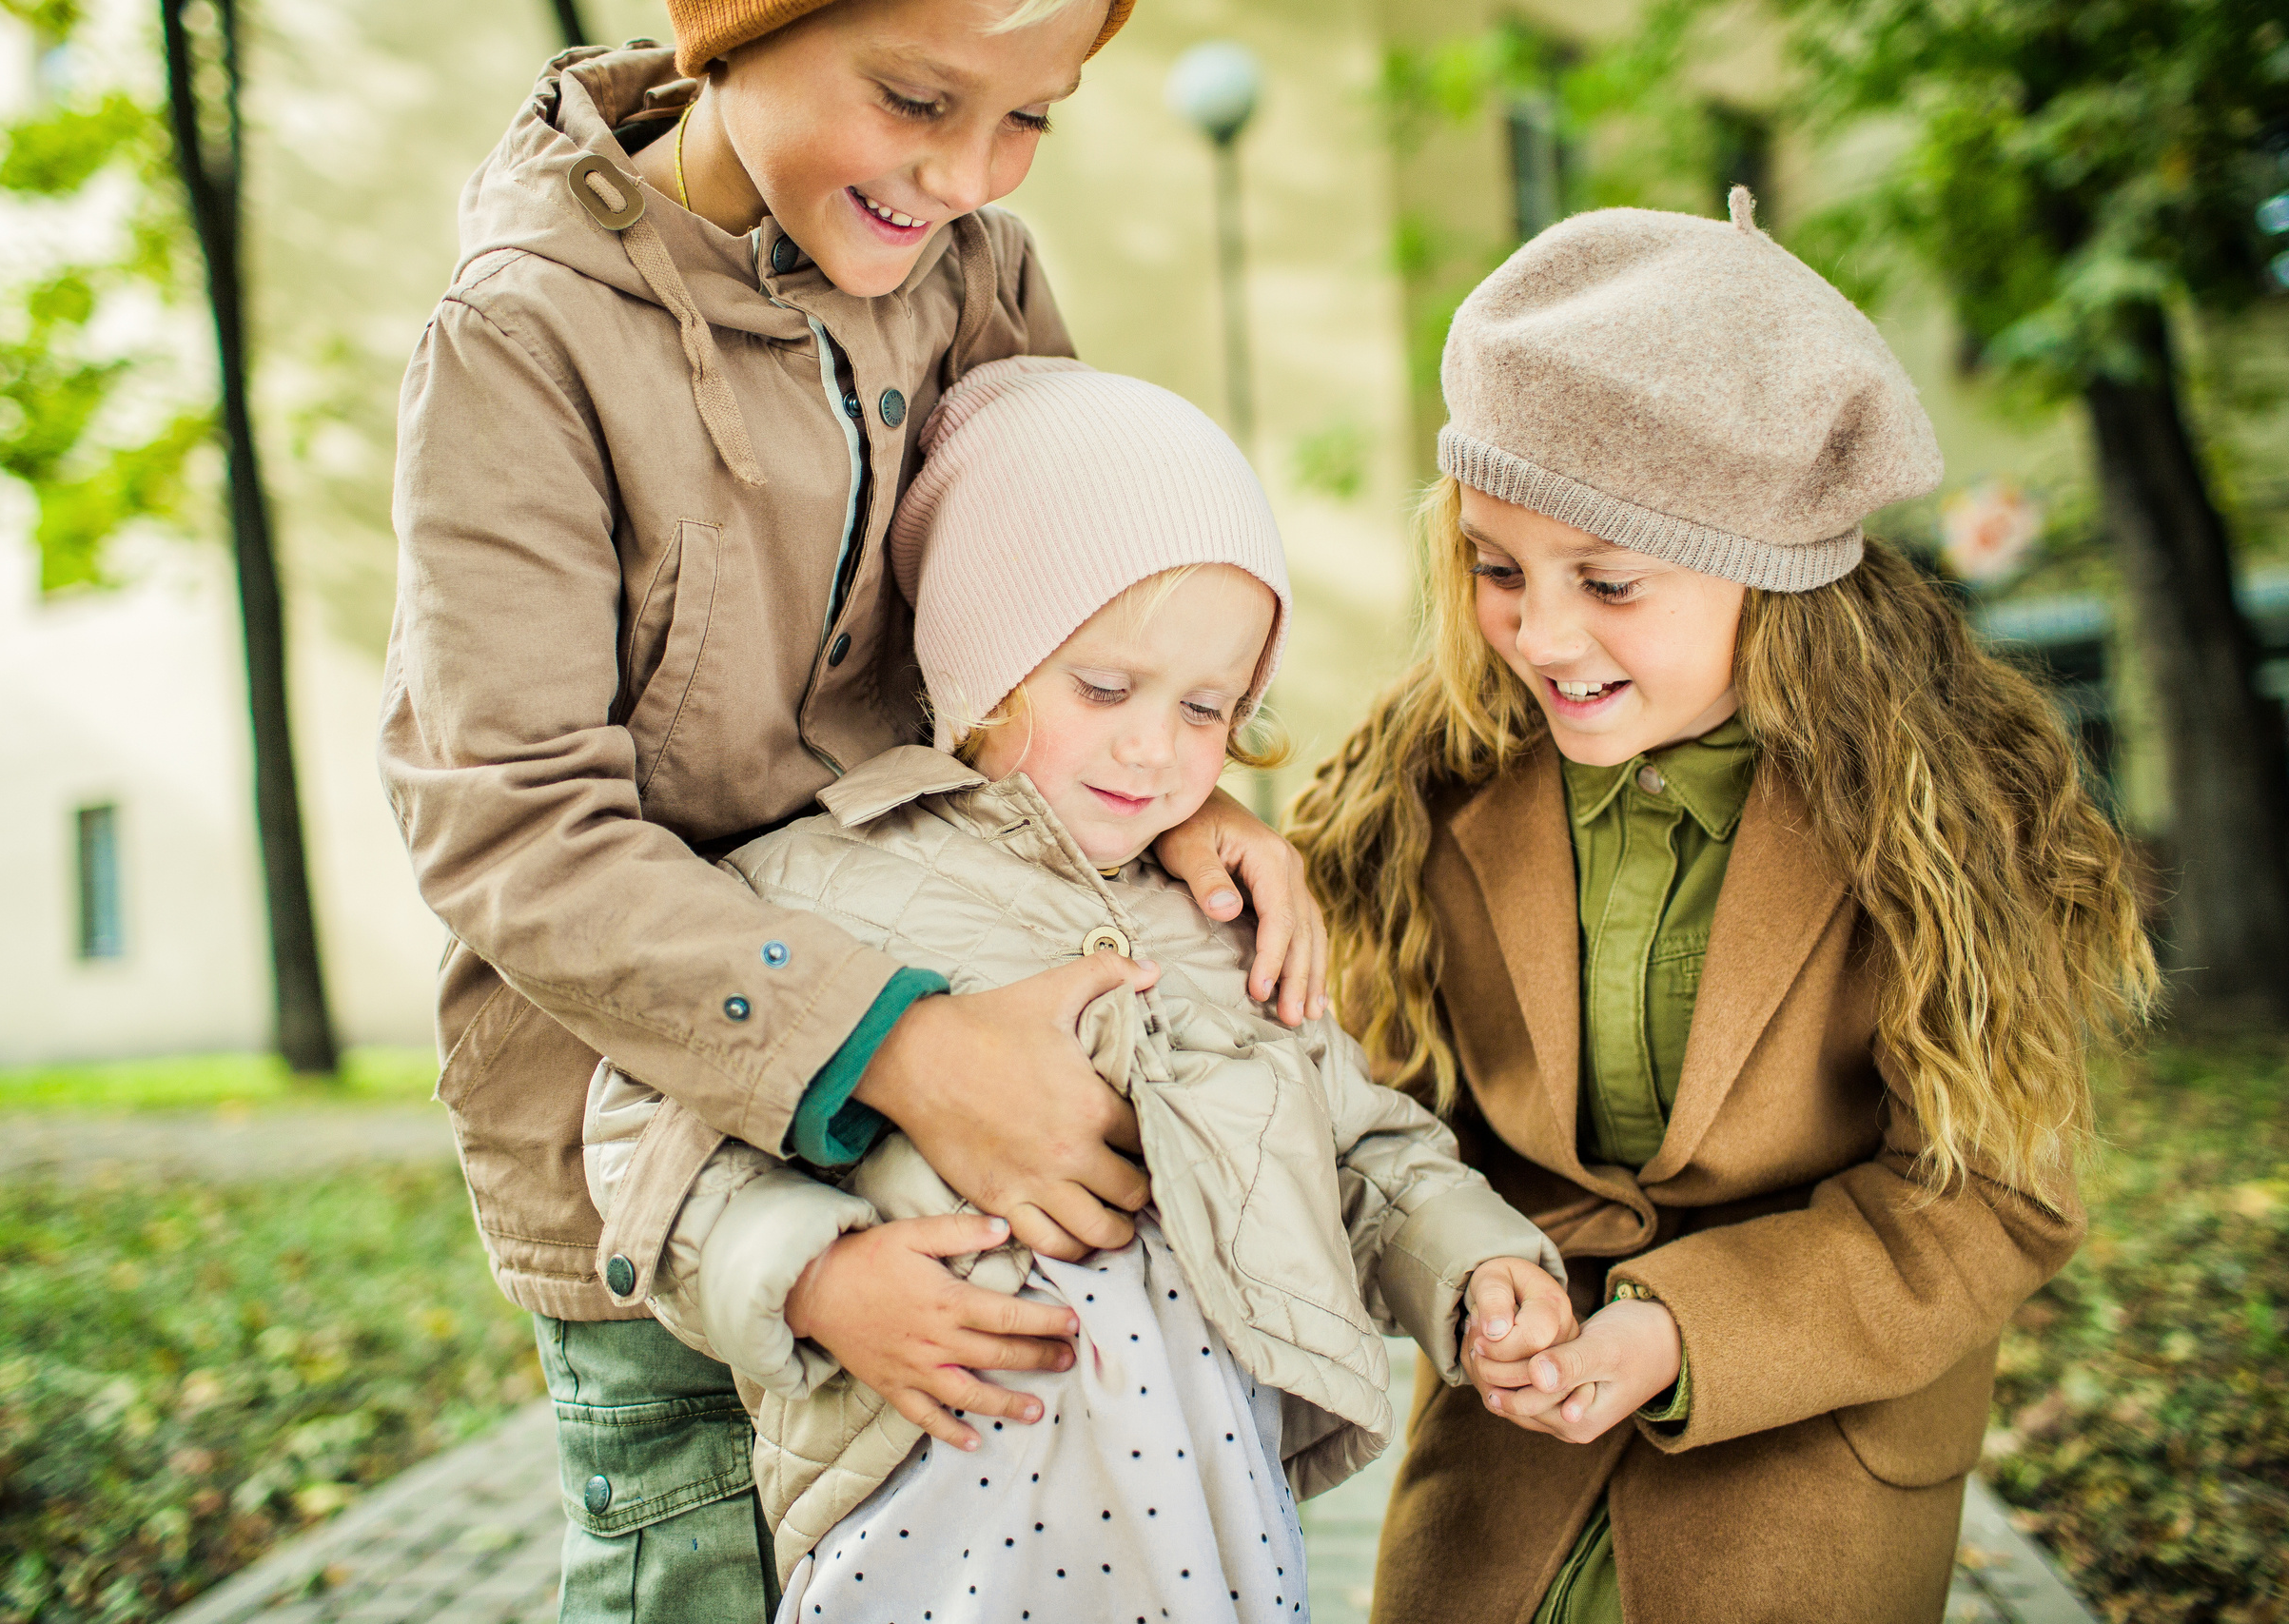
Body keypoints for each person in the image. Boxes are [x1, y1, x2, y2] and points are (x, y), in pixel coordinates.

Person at [379, 4, 1329, 1618]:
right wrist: (893, 1044)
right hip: (660, 1171)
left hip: (964, 1155)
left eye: (1030, 118)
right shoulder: (525, 341)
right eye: (913, 98)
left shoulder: (980, 276)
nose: (965, 173)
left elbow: (1073, 605)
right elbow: (509, 823)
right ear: (732, 32)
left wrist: (1187, 805)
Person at [583, 359, 1576, 1624]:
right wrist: (815, 1281)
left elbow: (1365, 1150)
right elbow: (641, 1146)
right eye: (1105, 689)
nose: (1156, 746)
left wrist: (1474, 1268)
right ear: (982, 659)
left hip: (1203, 1533)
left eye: (1209, 709)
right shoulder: (817, 886)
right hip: (933, 1541)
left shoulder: (1225, 924)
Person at [1289, 189, 2160, 1624]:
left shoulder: (1939, 824)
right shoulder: (1427, 791)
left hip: (1807, 1459)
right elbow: (1385, 1118)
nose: (1542, 633)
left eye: (1610, 583)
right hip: (1508, 1464)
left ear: (1774, 581)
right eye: (1497, 570)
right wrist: (1467, 1273)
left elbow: (1992, 1198)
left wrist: (1680, 1331)